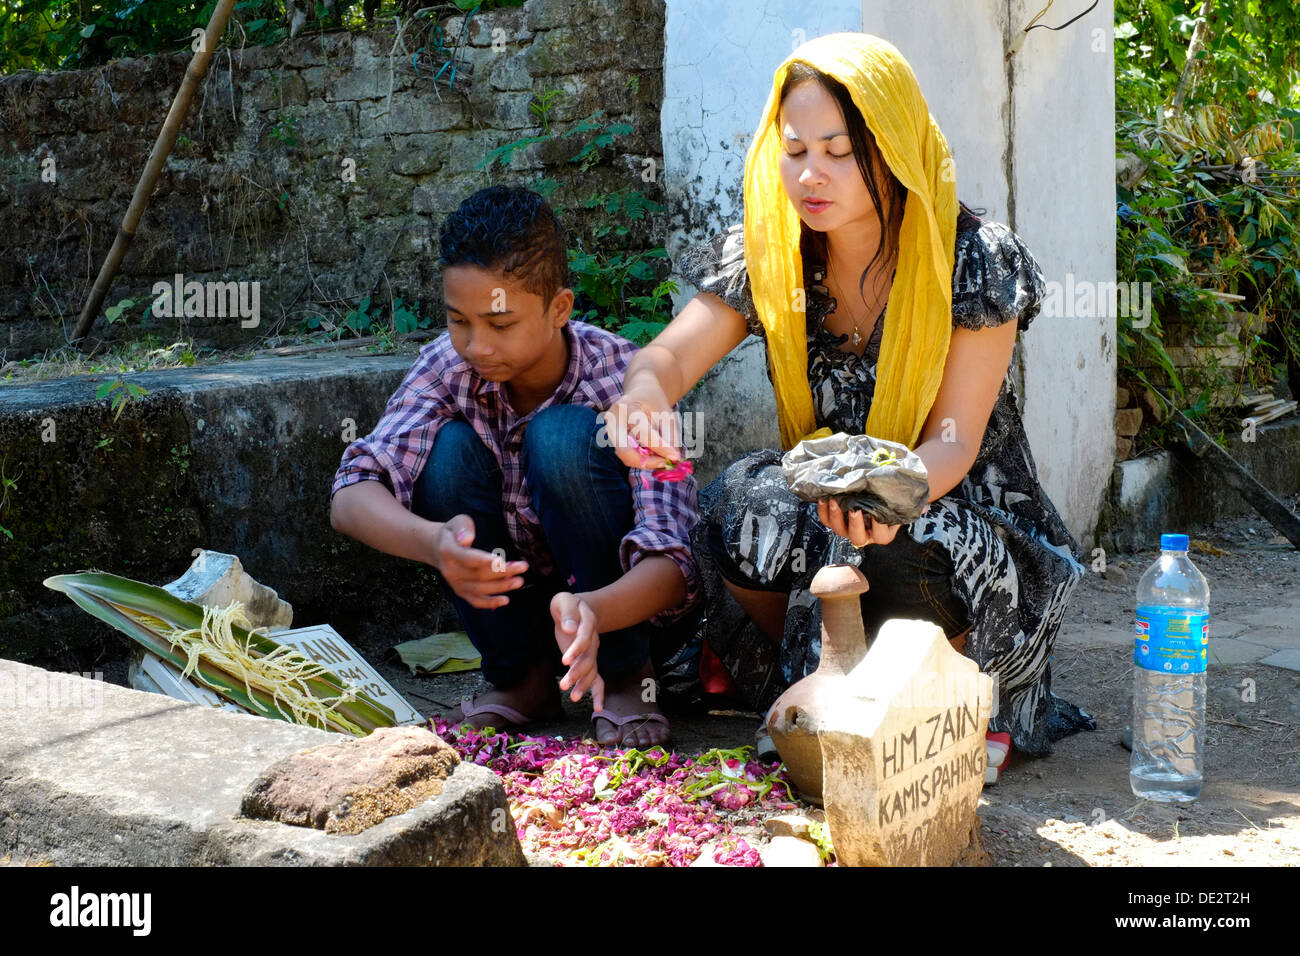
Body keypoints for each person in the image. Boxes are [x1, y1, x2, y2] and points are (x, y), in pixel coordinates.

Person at [604, 33, 1093, 780]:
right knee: (743, 499)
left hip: (959, 520)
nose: (811, 175)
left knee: (901, 528)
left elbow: (954, 443)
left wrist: (885, 491)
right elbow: (670, 355)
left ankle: (954, 702)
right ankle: (838, 687)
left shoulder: (971, 258)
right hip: (835, 516)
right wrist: (643, 396)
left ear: (891, 144)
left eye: (837, 150)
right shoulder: (774, 253)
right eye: (795, 150)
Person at [330, 185, 700, 748]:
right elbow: (351, 494)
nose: (476, 346)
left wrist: (595, 611)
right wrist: (433, 543)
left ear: (559, 309)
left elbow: (674, 560)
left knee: (559, 438)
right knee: (445, 454)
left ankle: (628, 678)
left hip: (619, 610)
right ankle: (521, 678)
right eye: (459, 321)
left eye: (500, 325)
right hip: (524, 605)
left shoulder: (623, 380)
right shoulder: (446, 368)